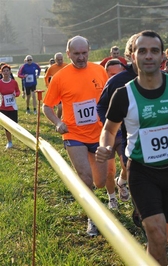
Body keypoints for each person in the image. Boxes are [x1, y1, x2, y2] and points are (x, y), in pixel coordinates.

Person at [95, 30, 168, 266]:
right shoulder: (123, 94)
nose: (148, 56)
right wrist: (105, 147)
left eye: (154, 51)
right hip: (141, 171)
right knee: (156, 232)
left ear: (163, 56)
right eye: (142, 51)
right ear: (132, 56)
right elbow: (109, 130)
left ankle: (149, 255)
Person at [43, 36, 108, 237]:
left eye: (84, 53)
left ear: (89, 51)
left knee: (101, 182)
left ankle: (97, 200)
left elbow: (110, 98)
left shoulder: (100, 71)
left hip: (99, 134)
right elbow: (47, 106)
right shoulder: (60, 77)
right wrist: (58, 122)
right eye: (76, 54)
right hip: (73, 133)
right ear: (68, 53)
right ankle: (92, 218)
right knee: (85, 178)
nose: (81, 57)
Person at [102, 58, 129, 210]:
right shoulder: (103, 89)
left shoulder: (126, 89)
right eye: (111, 74)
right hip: (105, 134)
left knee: (127, 165)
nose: (115, 77)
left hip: (122, 134)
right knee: (109, 170)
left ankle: (122, 182)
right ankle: (112, 198)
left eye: (118, 74)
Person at [0, 64, 20, 149]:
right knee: (7, 126)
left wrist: (15, 94)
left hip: (13, 107)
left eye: (7, 70)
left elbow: (18, 92)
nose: (6, 72)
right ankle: (9, 141)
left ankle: (16, 137)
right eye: (4, 71)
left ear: (10, 72)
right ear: (1, 72)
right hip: (2, 107)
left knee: (14, 124)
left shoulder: (13, 82)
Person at [44, 52, 68, 119]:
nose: (60, 61)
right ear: (55, 60)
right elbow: (46, 77)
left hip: (66, 89)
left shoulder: (66, 66)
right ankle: (58, 120)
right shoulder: (52, 68)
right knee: (60, 107)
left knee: (66, 107)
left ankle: (65, 120)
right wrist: (48, 86)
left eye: (61, 59)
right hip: (57, 90)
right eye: (58, 60)